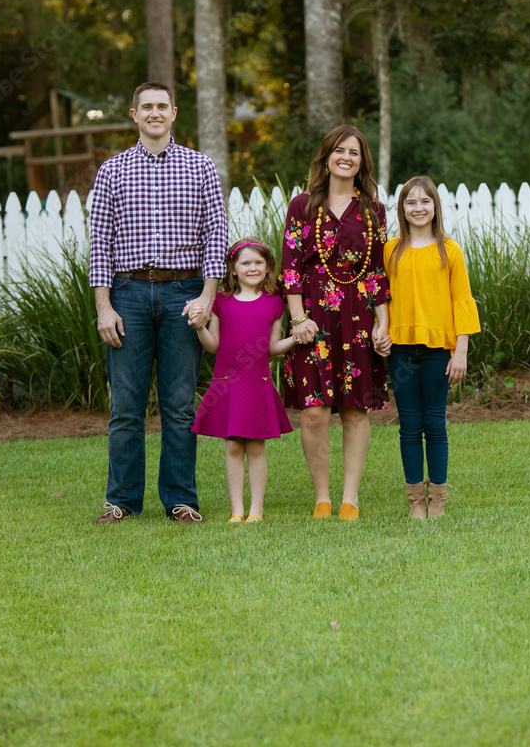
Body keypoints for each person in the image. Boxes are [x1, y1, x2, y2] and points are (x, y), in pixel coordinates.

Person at [89, 82, 228, 524]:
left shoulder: (200, 166)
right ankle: (121, 502)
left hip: (183, 295)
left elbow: (216, 234)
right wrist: (104, 307)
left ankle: (181, 500)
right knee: (125, 407)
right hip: (127, 295)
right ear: (134, 114)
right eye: (146, 106)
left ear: (173, 113)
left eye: (161, 106)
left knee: (180, 405)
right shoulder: (112, 170)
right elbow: (100, 244)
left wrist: (207, 297)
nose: (154, 113)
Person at [280, 124, 391, 520]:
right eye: (339, 150)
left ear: (362, 163)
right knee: (314, 411)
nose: (346, 157)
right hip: (313, 318)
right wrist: (297, 318)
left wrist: (383, 323)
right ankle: (322, 498)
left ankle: (350, 498)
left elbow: (378, 273)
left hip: (359, 317)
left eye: (354, 152)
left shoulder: (374, 210)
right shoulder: (302, 205)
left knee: (354, 410)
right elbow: (290, 267)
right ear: (326, 157)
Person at [382, 175, 480, 519]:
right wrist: (381, 330)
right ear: (402, 208)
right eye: (411, 202)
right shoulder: (391, 250)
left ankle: (438, 498)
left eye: (425, 201)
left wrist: (460, 351)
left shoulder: (449, 250)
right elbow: (382, 298)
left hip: (439, 349)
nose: (418, 208)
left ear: (435, 207)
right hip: (401, 350)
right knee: (409, 425)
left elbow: (461, 300)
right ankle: (415, 500)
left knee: (435, 424)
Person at [191, 239, 294, 523]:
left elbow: (271, 348)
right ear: (233, 269)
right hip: (228, 383)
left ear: (268, 267)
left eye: (259, 262)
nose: (253, 268)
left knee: (256, 447)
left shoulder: (275, 303)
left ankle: (256, 510)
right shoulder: (221, 301)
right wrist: (199, 328)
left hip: (257, 383)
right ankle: (237, 510)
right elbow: (214, 345)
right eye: (245, 263)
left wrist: (294, 339)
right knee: (233, 446)